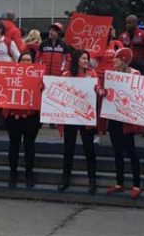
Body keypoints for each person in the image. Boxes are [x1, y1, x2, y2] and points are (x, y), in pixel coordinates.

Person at [102, 48, 144, 199]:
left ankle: (136, 184)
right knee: (117, 151)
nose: (113, 61)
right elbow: (106, 91)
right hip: (115, 117)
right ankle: (119, 182)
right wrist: (102, 92)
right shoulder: (112, 75)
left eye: (116, 58)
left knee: (131, 151)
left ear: (123, 60)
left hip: (127, 119)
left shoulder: (134, 74)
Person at [58, 50, 100, 193]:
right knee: (68, 149)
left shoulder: (92, 74)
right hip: (71, 117)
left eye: (87, 58)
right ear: (76, 59)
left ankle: (92, 181)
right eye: (83, 58)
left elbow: (97, 90)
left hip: (85, 117)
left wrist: (98, 91)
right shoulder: (66, 74)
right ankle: (65, 179)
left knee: (89, 150)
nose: (86, 60)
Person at [2, 51, 42, 188]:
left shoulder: (38, 78)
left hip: (31, 118)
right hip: (13, 118)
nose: (26, 62)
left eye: (28, 60)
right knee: (14, 147)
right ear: (18, 62)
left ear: (32, 63)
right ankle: (13, 175)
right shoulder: (10, 76)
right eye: (23, 60)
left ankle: (28, 175)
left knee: (29, 147)